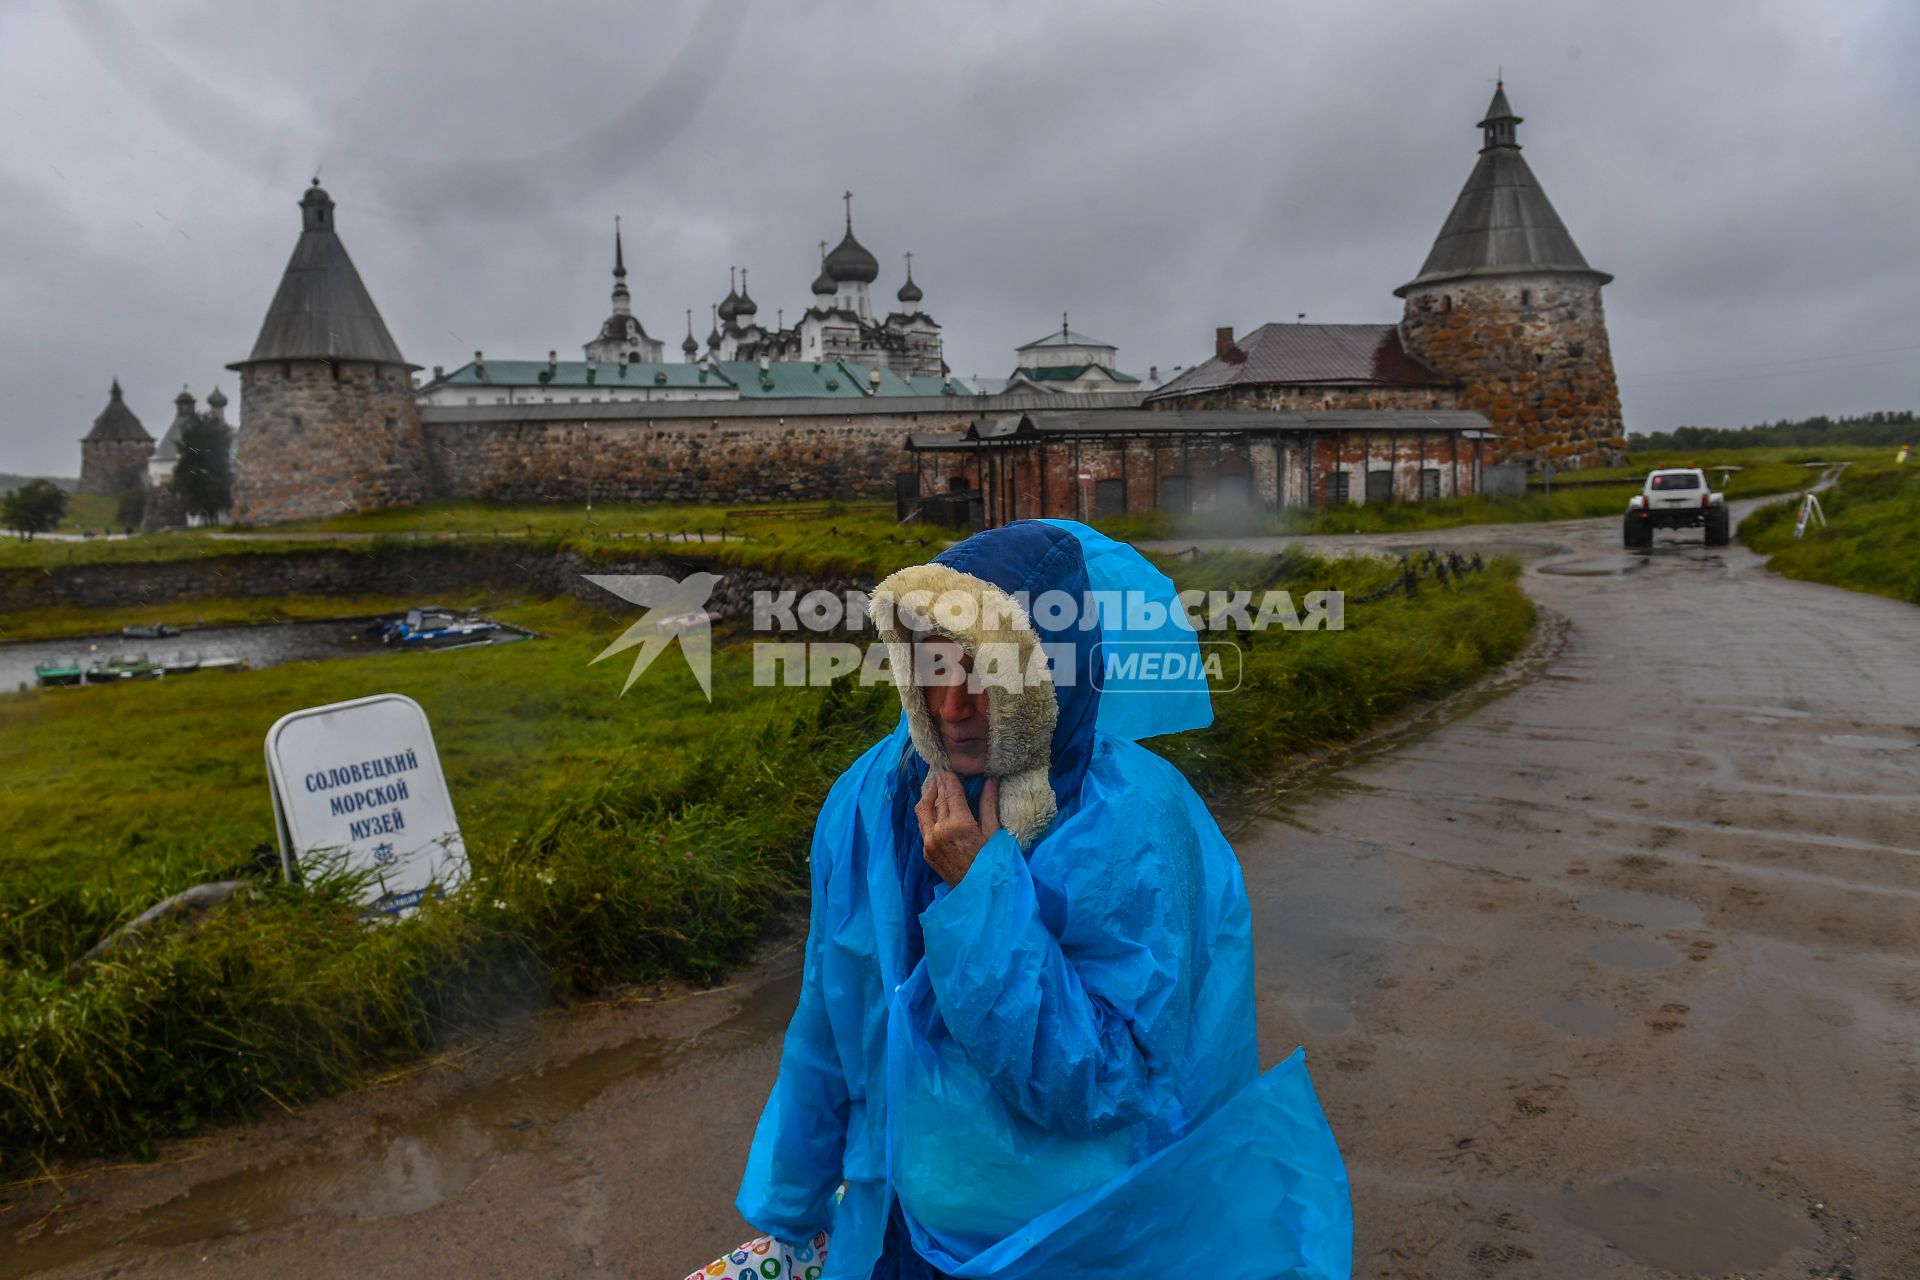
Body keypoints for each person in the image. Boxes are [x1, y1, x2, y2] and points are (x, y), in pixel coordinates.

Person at [736, 519, 1351, 1280]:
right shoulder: (874, 799)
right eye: (932, 664)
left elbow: (1110, 1079)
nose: (952, 703)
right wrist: (792, 1210)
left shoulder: (1131, 825)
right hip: (897, 1229)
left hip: (1070, 1243)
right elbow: (832, 1012)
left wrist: (982, 894)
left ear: (1051, 673)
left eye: (985, 669)